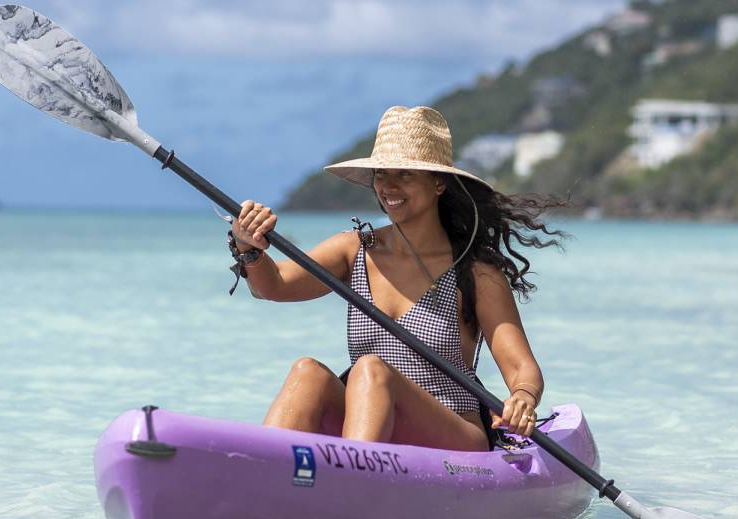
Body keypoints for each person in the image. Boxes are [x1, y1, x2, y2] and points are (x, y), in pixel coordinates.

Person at [228, 106, 565, 451]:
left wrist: (522, 397)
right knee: (307, 373)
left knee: (373, 371)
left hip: (454, 436)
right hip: (372, 430)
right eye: (381, 174)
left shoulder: (475, 271)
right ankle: (263, 470)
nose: (388, 186)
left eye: (404, 174)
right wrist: (248, 246)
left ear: (438, 183)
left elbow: (521, 367)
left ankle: (352, 485)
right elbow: (275, 285)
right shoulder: (354, 249)